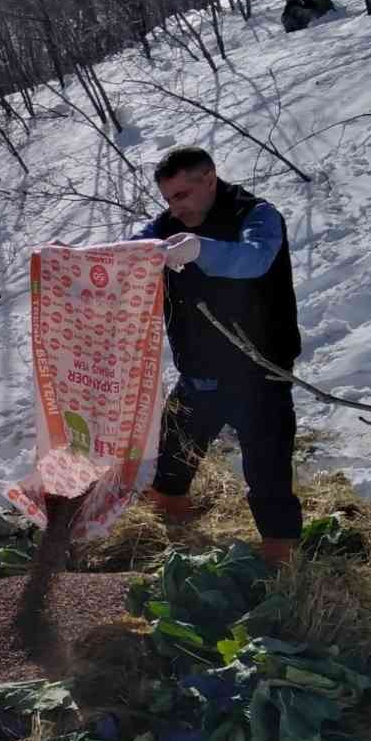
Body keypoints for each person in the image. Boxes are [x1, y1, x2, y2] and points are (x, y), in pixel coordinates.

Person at [130, 146, 303, 566]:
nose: (175, 207)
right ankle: (170, 520)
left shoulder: (257, 215)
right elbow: (132, 248)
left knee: (267, 470)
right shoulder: (168, 224)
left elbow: (255, 259)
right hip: (200, 372)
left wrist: (200, 250)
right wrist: (84, 258)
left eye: (183, 195)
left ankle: (282, 560)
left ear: (210, 179)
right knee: (174, 453)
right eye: (169, 198)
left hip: (259, 372)